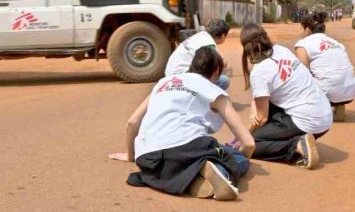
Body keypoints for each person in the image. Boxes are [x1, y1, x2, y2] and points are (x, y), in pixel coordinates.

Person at [109, 47, 255, 201]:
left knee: (178, 156)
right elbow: (249, 143)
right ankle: (219, 171)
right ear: (217, 71)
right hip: (185, 148)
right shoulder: (213, 90)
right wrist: (240, 156)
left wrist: (131, 155)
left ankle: (190, 177)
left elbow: (132, 122)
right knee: (237, 158)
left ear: (192, 66)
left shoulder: (163, 83)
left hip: (148, 158)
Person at [239, 23, 332, 169]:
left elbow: (261, 118)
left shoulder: (259, 72)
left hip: (309, 122)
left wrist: (244, 137)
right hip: (325, 118)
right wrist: (253, 104)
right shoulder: (281, 50)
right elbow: (263, 96)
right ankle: (300, 140)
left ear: (246, 48)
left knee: (253, 144)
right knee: (269, 110)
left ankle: (296, 146)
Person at [295, 12, 355, 121]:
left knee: (297, 79)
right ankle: (339, 105)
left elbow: (302, 74)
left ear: (307, 30)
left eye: (301, 28)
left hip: (326, 93)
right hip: (350, 92)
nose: (299, 32)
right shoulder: (337, 43)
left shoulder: (303, 44)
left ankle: (313, 111)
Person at [165, 19, 231, 90]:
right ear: (223, 35)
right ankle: (207, 99)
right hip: (180, 78)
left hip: (170, 73)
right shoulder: (209, 44)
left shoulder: (202, 35)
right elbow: (213, 67)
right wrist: (222, 63)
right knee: (224, 81)